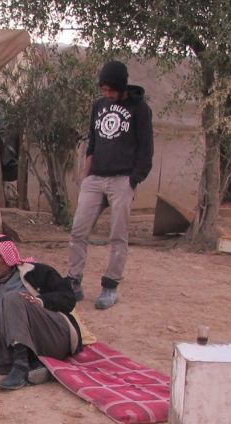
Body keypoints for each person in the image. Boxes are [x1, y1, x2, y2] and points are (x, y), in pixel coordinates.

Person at [67, 60, 153, 310]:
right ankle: (74, 280)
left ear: (122, 86)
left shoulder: (140, 109)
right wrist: (87, 174)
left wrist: (133, 179)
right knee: (78, 231)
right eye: (104, 90)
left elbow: (146, 148)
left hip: (122, 179)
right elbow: (92, 141)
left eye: (111, 90)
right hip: (95, 178)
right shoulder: (99, 106)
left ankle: (110, 286)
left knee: (117, 235)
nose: (107, 94)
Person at [0, 235, 83, 391]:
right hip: (15, 344)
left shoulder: (36, 271)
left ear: (7, 255)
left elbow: (68, 299)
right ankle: (38, 366)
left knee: (13, 299)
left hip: (50, 335)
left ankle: (20, 367)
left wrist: (41, 301)